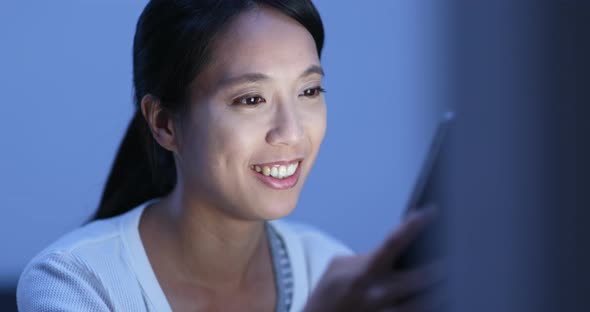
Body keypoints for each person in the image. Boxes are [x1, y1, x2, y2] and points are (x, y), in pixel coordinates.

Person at [16, 0, 443, 311]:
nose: (291, 132)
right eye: (251, 99)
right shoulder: (74, 282)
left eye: (309, 91)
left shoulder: (329, 267)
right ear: (165, 123)